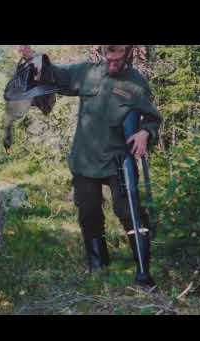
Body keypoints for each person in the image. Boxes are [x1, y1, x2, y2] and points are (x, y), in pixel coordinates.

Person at [19, 45, 162, 287]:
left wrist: (145, 133)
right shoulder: (88, 72)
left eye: (117, 59)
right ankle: (98, 266)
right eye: (109, 58)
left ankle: (143, 270)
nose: (112, 64)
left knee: (131, 213)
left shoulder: (136, 83)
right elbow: (55, 75)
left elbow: (152, 117)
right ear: (103, 53)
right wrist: (35, 59)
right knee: (89, 214)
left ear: (127, 54)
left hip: (119, 159)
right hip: (85, 159)